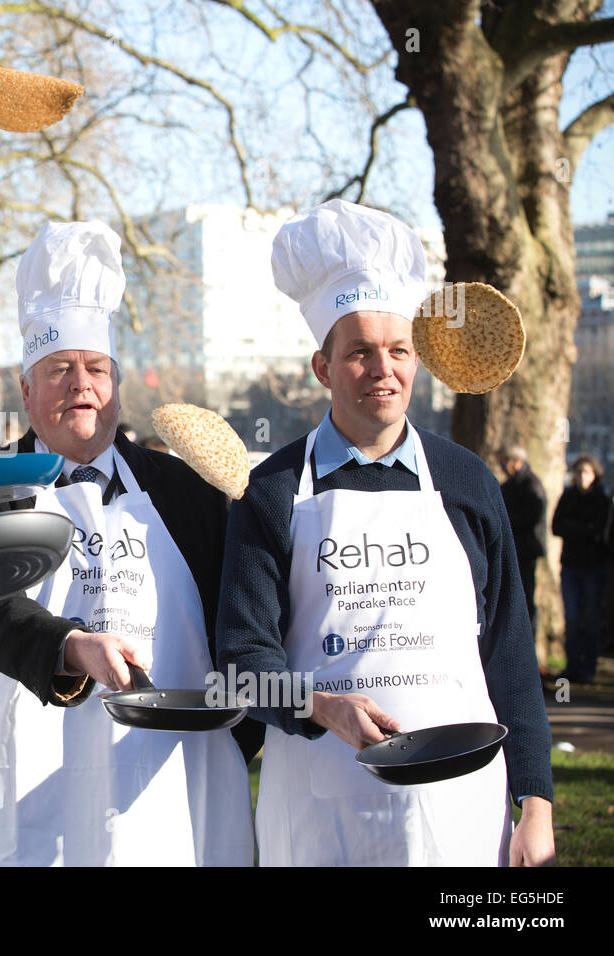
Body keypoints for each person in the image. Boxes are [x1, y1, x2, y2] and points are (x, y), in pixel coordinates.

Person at [216, 199, 554, 866]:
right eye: (360, 353)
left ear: (417, 360)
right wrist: (320, 705)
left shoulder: (466, 480)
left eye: (399, 350)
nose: (383, 370)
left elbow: (511, 653)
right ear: (323, 368)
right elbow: (239, 666)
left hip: (461, 807)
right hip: (322, 806)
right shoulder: (275, 489)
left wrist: (536, 802)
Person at [0, 220, 257, 866]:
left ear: (116, 382)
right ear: (26, 390)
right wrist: (65, 645)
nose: (80, 385)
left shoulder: (186, 491)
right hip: (35, 774)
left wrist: (237, 730)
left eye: (95, 368)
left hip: (173, 781)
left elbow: (242, 619)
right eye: (59, 370)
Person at [551, 454, 612, 684]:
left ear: (595, 475)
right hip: (570, 565)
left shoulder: (601, 500)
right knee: (573, 618)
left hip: (594, 567)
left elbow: (598, 532)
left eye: (586, 472)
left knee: (591, 618)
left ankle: (589, 668)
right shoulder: (568, 497)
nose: (581, 477)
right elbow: (556, 526)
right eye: (578, 472)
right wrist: (582, 529)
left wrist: (575, 528)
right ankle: (572, 666)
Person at [497, 446, 547, 634]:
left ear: (517, 462)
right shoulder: (508, 486)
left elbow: (531, 517)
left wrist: (507, 520)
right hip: (512, 549)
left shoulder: (532, 485)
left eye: (505, 462)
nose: (502, 467)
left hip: (525, 550)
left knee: (525, 597)